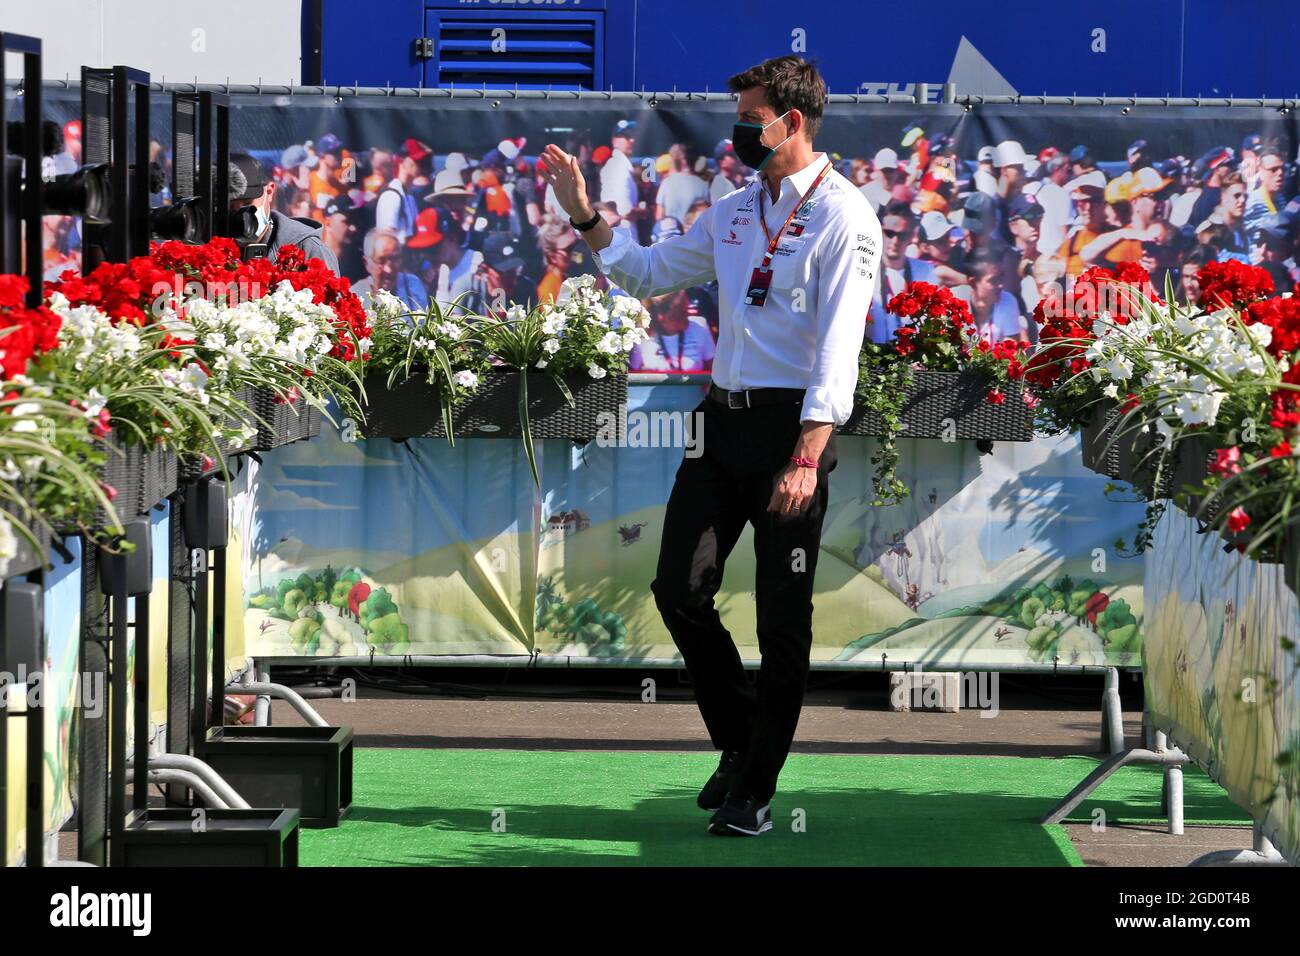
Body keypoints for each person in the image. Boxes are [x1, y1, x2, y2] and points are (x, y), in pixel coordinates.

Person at [540, 54, 881, 838]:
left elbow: (839, 349)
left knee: (780, 621)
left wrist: (805, 456)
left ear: (791, 123)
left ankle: (753, 792)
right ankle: (742, 739)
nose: (737, 133)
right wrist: (586, 214)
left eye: (750, 117)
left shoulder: (844, 216)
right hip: (719, 425)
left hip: (793, 432)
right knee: (678, 588)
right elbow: (646, 274)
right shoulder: (731, 210)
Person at [228, 152, 339, 272]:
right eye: (230, 207)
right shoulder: (209, 248)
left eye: (247, 203)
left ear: (269, 192)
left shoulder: (307, 248)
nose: (241, 216)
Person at [868, 201, 938, 342]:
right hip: (872, 358)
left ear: (912, 236)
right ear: (880, 231)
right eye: (889, 233)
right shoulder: (866, 269)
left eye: (902, 235)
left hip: (911, 360)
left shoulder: (925, 271)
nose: (895, 240)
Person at [630, 289, 717, 372]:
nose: (687, 317)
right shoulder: (641, 336)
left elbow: (715, 372)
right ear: (661, 317)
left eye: (686, 309)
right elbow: (635, 378)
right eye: (681, 314)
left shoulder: (699, 326)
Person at [350, 227, 427, 310]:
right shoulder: (356, 296)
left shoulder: (413, 286)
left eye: (395, 259)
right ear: (367, 263)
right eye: (381, 261)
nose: (389, 270)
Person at [600, 119, 640, 216]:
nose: (632, 140)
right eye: (627, 136)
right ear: (614, 141)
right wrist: (644, 211)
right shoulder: (617, 167)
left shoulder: (622, 166)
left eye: (632, 136)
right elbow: (625, 211)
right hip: (620, 229)